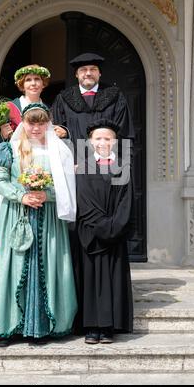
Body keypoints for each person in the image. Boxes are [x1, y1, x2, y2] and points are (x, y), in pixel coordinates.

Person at [0, 103, 77, 346]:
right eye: (31, 122)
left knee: (48, 265)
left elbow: (68, 188)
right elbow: (0, 182)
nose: (35, 127)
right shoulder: (8, 149)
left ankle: (42, 327)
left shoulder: (60, 151)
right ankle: (8, 327)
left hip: (49, 220)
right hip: (17, 216)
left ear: (48, 124)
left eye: (41, 122)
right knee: (12, 268)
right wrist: (21, 195)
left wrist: (48, 195)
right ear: (23, 123)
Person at [0, 64, 62, 283]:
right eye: (28, 80)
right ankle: (2, 276)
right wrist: (2, 134)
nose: (33, 83)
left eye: (37, 80)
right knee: (5, 221)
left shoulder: (49, 108)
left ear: (43, 84)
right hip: (15, 176)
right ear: (21, 85)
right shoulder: (9, 108)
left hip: (41, 175)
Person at [75, 118, 133, 344]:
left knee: (112, 280)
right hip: (90, 234)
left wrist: (113, 228)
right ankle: (91, 327)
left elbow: (126, 203)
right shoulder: (83, 168)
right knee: (90, 280)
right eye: (98, 138)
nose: (103, 142)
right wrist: (101, 226)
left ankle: (109, 327)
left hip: (114, 237)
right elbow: (83, 201)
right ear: (90, 142)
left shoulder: (123, 168)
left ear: (115, 142)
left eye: (108, 138)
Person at [51, 52, 134, 147]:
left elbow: (125, 133)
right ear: (76, 74)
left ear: (100, 73)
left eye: (93, 69)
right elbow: (56, 132)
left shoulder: (115, 96)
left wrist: (125, 161)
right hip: (74, 158)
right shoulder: (63, 98)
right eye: (83, 70)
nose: (88, 73)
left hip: (107, 158)